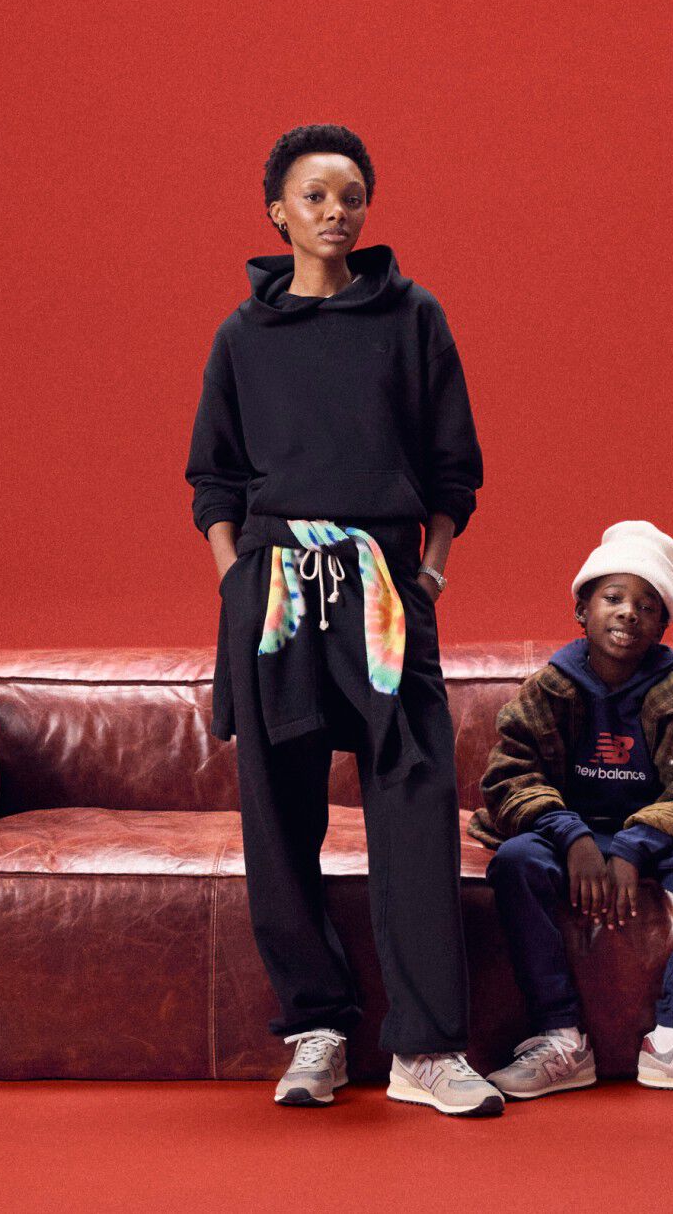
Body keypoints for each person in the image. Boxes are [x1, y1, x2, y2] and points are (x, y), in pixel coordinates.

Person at [185, 124, 502, 1117]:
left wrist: (430, 570)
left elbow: (453, 465)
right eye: (315, 196)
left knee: (414, 803)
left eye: (351, 196)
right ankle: (315, 1029)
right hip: (275, 594)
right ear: (276, 211)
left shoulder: (413, 316)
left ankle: (426, 1049)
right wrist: (237, 582)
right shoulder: (242, 335)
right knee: (279, 815)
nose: (336, 212)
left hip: (384, 590)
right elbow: (213, 477)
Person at [469, 521, 673, 1097]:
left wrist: (635, 846)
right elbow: (509, 776)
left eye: (647, 606)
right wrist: (572, 836)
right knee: (515, 861)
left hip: (660, 838)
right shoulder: (547, 689)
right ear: (582, 610)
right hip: (567, 838)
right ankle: (560, 1039)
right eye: (613, 598)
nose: (629, 613)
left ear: (662, 625)